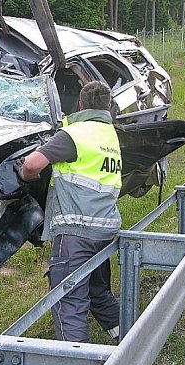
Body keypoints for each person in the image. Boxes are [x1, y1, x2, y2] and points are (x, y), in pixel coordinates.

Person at [20, 81, 122, 344]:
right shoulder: (110, 135)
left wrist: (28, 179)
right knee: (98, 289)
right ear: (108, 106)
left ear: (80, 105)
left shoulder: (74, 134)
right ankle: (129, 339)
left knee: (68, 300)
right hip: (105, 230)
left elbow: (32, 164)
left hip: (76, 231)